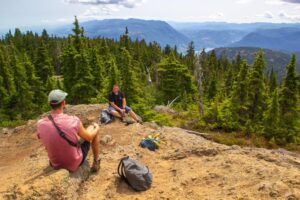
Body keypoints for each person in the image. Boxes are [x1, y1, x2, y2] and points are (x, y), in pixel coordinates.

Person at [37, 89, 101, 173]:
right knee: (92, 129)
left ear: (50, 104)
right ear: (63, 103)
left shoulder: (40, 124)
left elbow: (43, 140)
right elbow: (89, 137)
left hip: (55, 164)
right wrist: (97, 127)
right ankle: (96, 161)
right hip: (74, 162)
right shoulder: (73, 120)